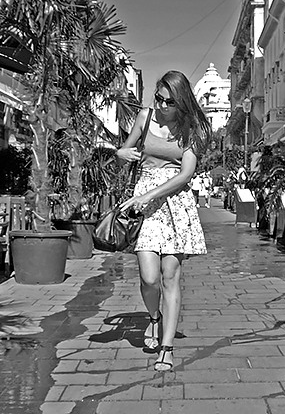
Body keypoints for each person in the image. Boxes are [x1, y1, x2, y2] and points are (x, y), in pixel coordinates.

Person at [117, 70, 211, 372]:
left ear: (181, 102)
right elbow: (124, 150)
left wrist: (150, 195)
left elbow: (186, 174)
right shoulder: (144, 117)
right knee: (149, 277)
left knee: (170, 276)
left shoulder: (191, 128)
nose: (161, 105)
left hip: (175, 203)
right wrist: (122, 153)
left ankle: (166, 348)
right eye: (159, 98)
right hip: (144, 202)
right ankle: (154, 317)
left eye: (169, 102)